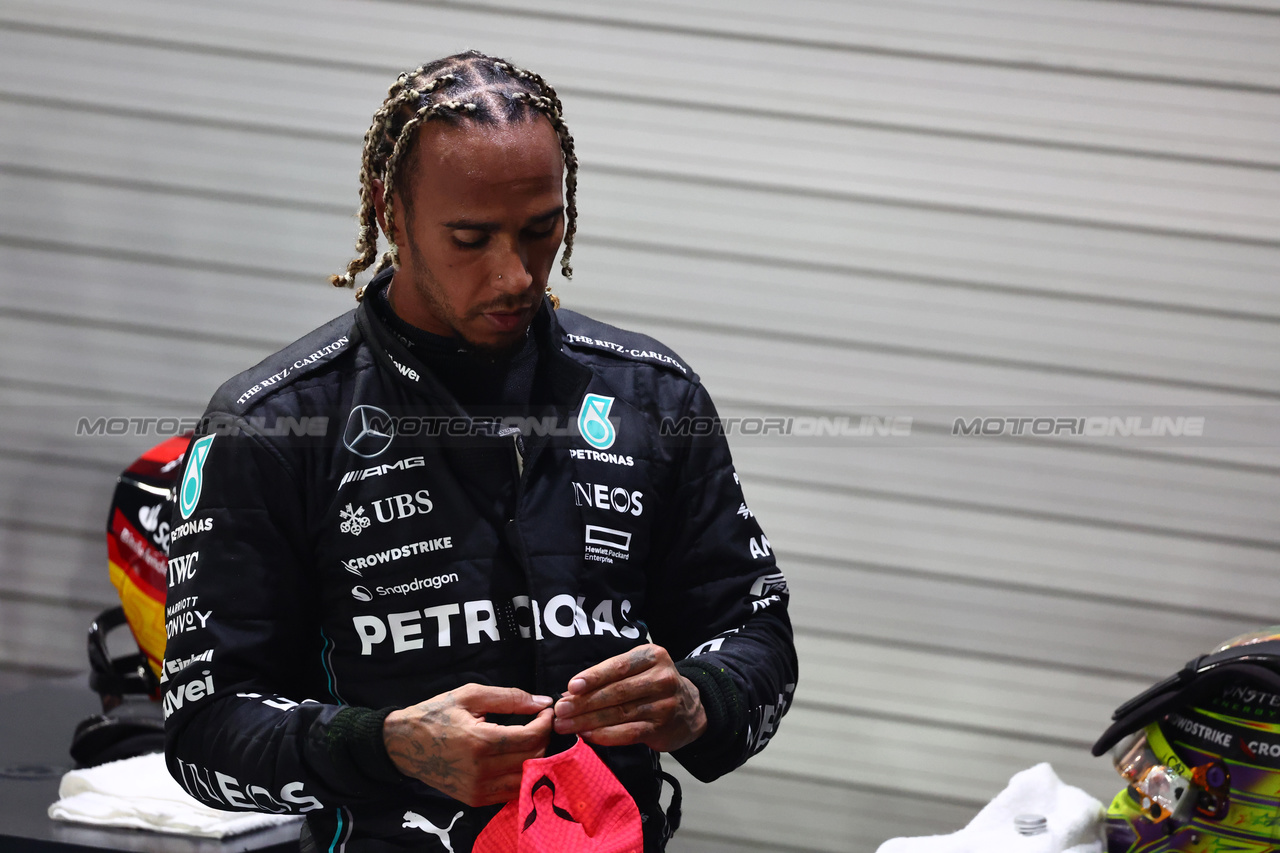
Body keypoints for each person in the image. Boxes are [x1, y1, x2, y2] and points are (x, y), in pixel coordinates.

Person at [162, 50, 797, 852]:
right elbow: (201, 729)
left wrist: (699, 701)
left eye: (542, 231)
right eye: (471, 238)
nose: (514, 275)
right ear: (388, 212)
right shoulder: (274, 424)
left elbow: (757, 630)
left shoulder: (654, 397)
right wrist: (384, 744)